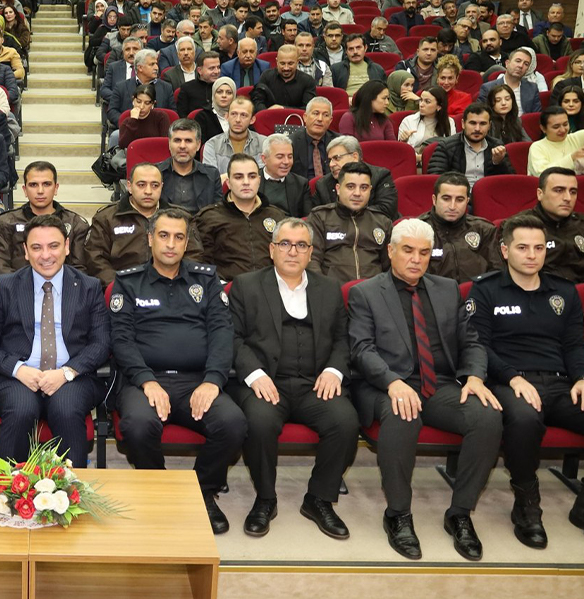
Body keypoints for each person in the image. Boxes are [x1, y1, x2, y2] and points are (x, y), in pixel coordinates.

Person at [348, 218, 503, 562]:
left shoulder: (448, 289)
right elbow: (361, 350)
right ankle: (398, 514)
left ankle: (460, 513)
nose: (416, 259)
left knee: (487, 416)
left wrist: (474, 377)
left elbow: (472, 342)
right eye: (408, 250)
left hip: (439, 384)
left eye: (423, 252)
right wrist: (393, 382)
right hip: (387, 384)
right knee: (403, 415)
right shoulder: (366, 292)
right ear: (391, 251)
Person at [111, 207, 247, 533]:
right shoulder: (128, 282)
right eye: (163, 235)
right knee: (138, 425)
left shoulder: (206, 279)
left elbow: (222, 333)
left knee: (233, 423)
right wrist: (146, 381)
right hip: (144, 380)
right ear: (150, 239)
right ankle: (159, 490)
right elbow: (121, 340)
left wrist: (213, 381)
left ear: (186, 243)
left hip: (196, 381)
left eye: (178, 237)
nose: (170, 244)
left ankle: (202, 491)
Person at [227, 216, 359, 538]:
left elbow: (343, 339)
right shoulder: (245, 285)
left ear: (311, 252)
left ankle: (319, 498)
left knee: (345, 422)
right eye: (285, 243)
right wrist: (254, 374)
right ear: (272, 249)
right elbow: (232, 338)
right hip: (266, 383)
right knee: (258, 422)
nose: (292, 251)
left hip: (315, 384)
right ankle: (265, 498)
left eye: (301, 245)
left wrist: (333, 370)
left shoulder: (329, 289)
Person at [468, 215, 584, 548]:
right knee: (524, 419)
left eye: (539, 247)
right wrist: (513, 378)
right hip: (509, 381)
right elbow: (478, 344)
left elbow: (574, 343)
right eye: (522, 248)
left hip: (561, 383)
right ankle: (527, 504)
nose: (532, 255)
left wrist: (581, 377)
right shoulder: (486, 289)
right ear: (505, 251)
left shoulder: (564, 291)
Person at [0, 213, 108, 466]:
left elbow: (101, 343)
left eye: (53, 246)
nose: (46, 255)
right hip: (15, 377)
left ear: (67, 246)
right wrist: (18, 370)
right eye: (36, 248)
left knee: (66, 408)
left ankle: (71, 485)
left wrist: (67, 373)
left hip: (72, 376)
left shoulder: (89, 286)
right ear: (25, 251)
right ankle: (9, 484)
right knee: (21, 408)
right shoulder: (5, 286)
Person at [0, 161, 89, 281]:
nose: (40, 191)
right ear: (25, 190)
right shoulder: (6, 222)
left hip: (64, 289)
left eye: (46, 184)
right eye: (33, 185)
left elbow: (80, 269)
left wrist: (52, 285)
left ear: (56, 188)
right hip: (17, 288)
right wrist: (27, 284)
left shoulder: (75, 224)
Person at [194, 154, 288, 280]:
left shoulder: (276, 216)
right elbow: (201, 263)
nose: (246, 182)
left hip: (270, 286)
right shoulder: (209, 217)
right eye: (238, 177)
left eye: (252, 176)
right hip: (227, 287)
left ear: (259, 181)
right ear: (228, 183)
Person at [307, 161, 394, 283]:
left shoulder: (382, 222)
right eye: (350, 187)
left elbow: (391, 266)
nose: (357, 193)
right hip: (333, 290)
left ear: (370, 190)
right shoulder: (320, 217)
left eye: (363, 188)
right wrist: (323, 289)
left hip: (374, 291)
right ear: (338, 189)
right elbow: (312, 260)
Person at [417, 172, 501, 282]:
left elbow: (497, 273)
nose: (452, 206)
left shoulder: (484, 229)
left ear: (467, 201)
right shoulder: (418, 230)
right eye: (446, 199)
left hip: (477, 291)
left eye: (459, 200)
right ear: (434, 200)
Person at [514, 167, 584, 282]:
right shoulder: (520, 226)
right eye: (559, 190)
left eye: (573, 192)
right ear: (540, 194)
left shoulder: (581, 223)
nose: (568, 198)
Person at [425, 103, 513, 185]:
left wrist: (498, 163)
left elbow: (510, 181)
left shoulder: (496, 145)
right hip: (457, 194)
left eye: (483, 124)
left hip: (487, 194)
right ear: (463, 124)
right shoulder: (446, 146)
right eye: (472, 123)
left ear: (489, 125)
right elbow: (435, 179)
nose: (477, 129)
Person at [202, 97, 266, 175]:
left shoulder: (264, 143)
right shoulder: (212, 144)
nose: (238, 120)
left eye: (243, 115)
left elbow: (262, 177)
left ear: (252, 120)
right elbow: (210, 178)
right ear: (226, 117)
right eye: (233, 114)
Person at [258, 133, 311, 217]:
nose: (286, 162)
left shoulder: (300, 184)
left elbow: (307, 218)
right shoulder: (251, 180)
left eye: (290, 157)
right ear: (264, 159)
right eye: (280, 157)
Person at [250, 45, 316, 112]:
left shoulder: (308, 81)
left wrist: (283, 109)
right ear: (277, 61)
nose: (286, 68)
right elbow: (257, 102)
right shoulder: (266, 76)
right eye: (282, 63)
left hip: (297, 118)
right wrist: (267, 113)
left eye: (290, 63)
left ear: (297, 62)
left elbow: (308, 109)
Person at [477, 48, 541, 115]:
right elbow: (480, 115)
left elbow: (536, 116)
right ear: (507, 63)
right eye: (518, 61)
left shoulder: (532, 88)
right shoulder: (488, 88)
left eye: (526, 64)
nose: (521, 66)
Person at [289, 97, 340, 179]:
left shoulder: (339, 142)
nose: (320, 119)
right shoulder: (291, 142)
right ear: (305, 117)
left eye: (325, 115)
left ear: (330, 120)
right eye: (316, 113)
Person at [528, 107, 584, 175]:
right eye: (556, 127)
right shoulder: (537, 147)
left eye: (565, 124)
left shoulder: (578, 138)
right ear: (543, 128)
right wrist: (571, 158)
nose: (563, 130)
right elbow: (542, 173)